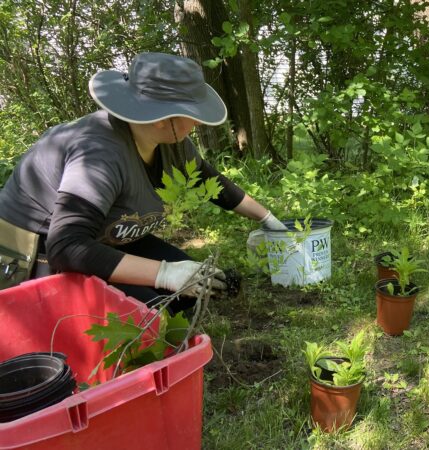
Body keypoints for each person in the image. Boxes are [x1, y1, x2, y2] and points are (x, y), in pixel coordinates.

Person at [0, 52, 287, 310]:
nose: (198, 122)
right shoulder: (99, 154)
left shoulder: (171, 141)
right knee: (151, 309)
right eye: (193, 114)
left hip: (107, 235)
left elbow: (209, 182)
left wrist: (269, 220)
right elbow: (68, 247)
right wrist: (165, 274)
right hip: (41, 250)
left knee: (193, 289)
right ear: (162, 117)